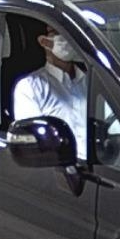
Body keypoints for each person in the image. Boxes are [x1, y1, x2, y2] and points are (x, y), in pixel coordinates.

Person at [12, 24, 88, 157]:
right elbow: (33, 144)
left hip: (104, 163)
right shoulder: (30, 87)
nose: (67, 37)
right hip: (61, 165)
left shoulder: (90, 81)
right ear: (44, 41)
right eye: (58, 32)